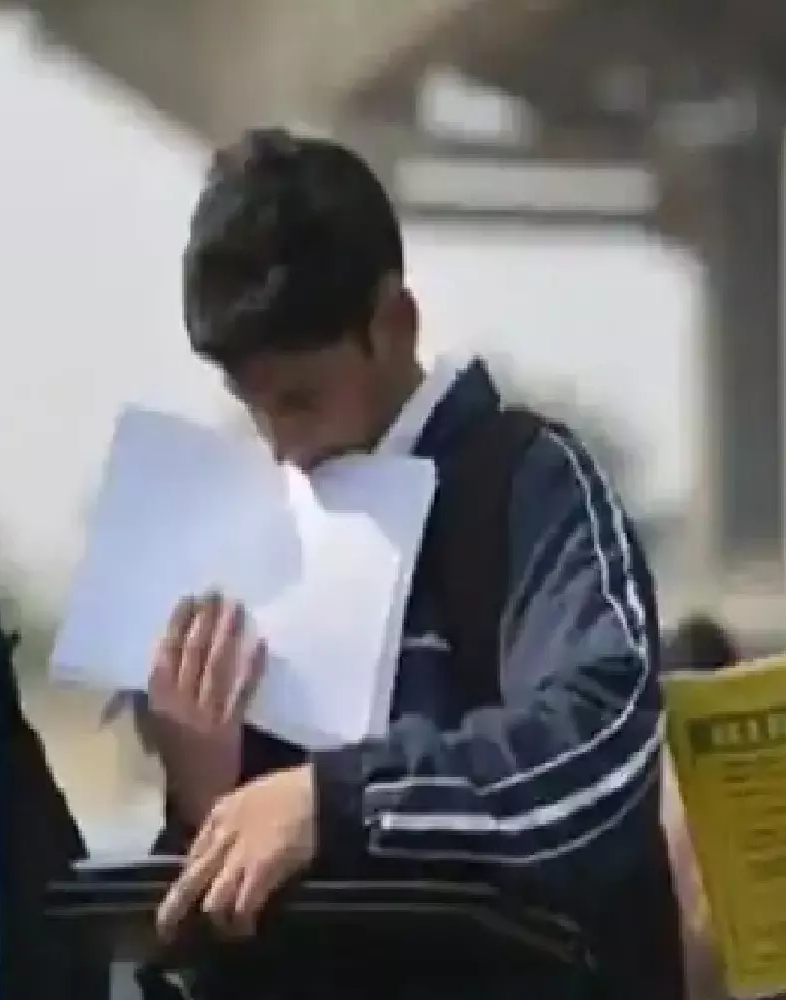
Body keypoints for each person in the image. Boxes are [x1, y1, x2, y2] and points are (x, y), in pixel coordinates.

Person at [138, 127, 681, 999]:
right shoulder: (251, 530)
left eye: (301, 398)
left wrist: (341, 804)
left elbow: (603, 750)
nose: (281, 443)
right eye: (253, 405)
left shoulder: (525, 488)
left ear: (394, 323)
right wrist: (205, 794)